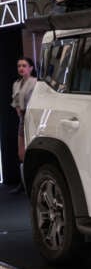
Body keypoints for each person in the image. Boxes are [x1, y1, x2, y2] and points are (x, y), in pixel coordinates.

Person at [9, 57, 37, 194]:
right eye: (19, 66)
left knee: (33, 152)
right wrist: (19, 112)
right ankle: (24, 182)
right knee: (21, 153)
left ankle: (33, 184)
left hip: (33, 118)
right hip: (22, 118)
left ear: (31, 68)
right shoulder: (16, 84)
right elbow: (15, 102)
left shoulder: (35, 83)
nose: (21, 68)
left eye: (24, 65)